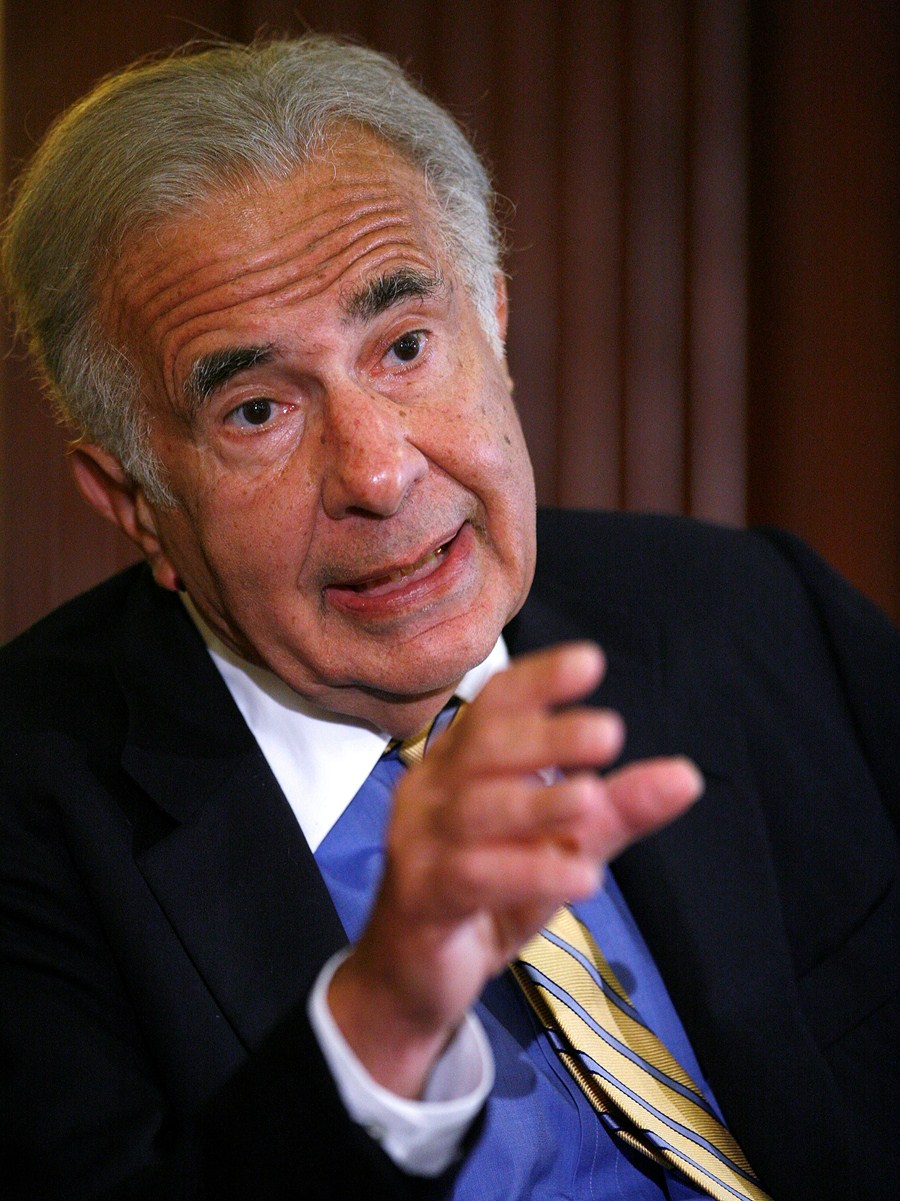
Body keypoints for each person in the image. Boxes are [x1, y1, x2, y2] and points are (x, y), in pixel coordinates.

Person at [0, 35, 897, 1201]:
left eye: (407, 347)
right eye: (258, 410)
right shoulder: (32, 823)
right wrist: (381, 1022)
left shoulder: (750, 610)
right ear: (134, 500)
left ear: (497, 331)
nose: (377, 472)